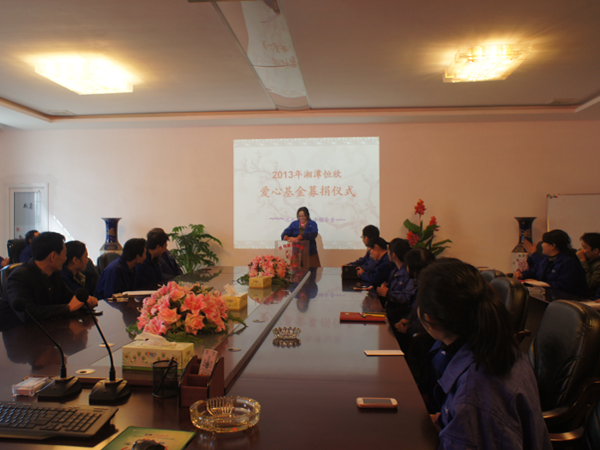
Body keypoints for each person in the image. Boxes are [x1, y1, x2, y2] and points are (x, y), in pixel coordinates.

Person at [417, 259, 552, 449]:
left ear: (429, 320)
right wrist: (446, 420)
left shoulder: (473, 393)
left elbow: (475, 418)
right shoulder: (498, 345)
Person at [0, 232, 99, 328]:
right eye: (64, 254)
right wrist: (68, 308)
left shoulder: (54, 273)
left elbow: (67, 296)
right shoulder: (18, 278)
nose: (65, 259)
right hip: (18, 333)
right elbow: (27, 314)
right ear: (53, 256)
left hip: (47, 329)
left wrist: (83, 302)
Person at [515, 229, 588, 297]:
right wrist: (522, 275)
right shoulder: (546, 259)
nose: (542, 245)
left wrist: (542, 284)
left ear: (553, 246)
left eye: (544, 242)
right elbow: (534, 272)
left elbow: (565, 285)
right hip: (548, 297)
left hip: (566, 299)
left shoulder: (569, 263)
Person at [577, 232, 600, 297]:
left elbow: (589, 284)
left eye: (585, 248)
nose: (581, 251)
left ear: (595, 250)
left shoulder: (598, 265)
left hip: (590, 297)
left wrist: (583, 261)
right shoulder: (589, 259)